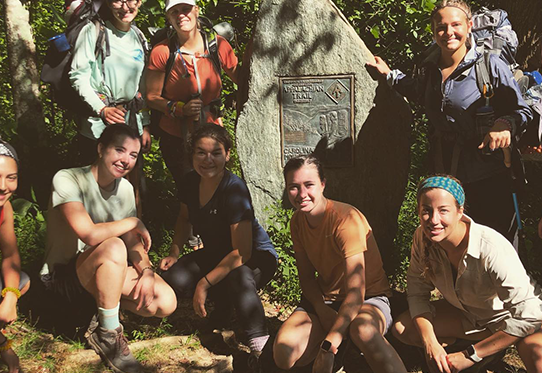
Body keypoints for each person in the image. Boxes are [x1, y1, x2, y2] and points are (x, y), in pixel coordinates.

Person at [366, 0, 532, 245]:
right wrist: (389, 75)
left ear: (469, 26)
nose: (448, 32)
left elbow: (522, 110)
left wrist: (505, 124)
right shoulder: (430, 68)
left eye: (456, 25)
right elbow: (418, 92)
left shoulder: (489, 65)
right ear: (433, 32)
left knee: (496, 246)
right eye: (441, 27)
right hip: (446, 175)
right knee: (455, 244)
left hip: (489, 172)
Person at [40, 124, 176, 373]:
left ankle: (102, 309)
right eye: (119, 150)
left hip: (100, 270)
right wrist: (133, 221)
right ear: (101, 148)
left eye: (133, 155)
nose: (125, 160)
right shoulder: (67, 178)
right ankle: (108, 333)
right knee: (113, 246)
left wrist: (145, 270)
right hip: (63, 277)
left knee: (166, 301)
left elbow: (133, 241)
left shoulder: (124, 188)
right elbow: (90, 234)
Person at [393, 175, 542, 373]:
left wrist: (471, 355)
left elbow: (531, 315)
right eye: (426, 211)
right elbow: (416, 292)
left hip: (510, 321)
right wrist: (430, 343)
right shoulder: (422, 236)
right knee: (403, 328)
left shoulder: (490, 247)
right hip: (467, 316)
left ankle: (482, 353)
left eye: (443, 210)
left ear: (460, 212)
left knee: (537, 361)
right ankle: (482, 353)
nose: (434, 220)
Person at [274, 155, 407, 373]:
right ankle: (344, 352)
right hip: (327, 299)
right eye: (293, 187)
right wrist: (321, 309)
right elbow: (306, 278)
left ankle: (344, 348)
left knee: (363, 330)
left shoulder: (345, 220)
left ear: (323, 184)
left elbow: (356, 292)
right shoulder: (297, 222)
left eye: (309, 185)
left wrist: (328, 346)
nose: (302, 194)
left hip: (367, 298)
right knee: (283, 355)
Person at [159, 124, 277, 367]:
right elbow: (184, 217)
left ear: (228, 155)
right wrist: (174, 251)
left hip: (255, 257)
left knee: (238, 277)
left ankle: (261, 347)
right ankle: (224, 307)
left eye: (216, 153)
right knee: (175, 278)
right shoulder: (190, 182)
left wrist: (204, 283)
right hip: (217, 253)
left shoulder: (234, 189)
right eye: (201, 152)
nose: (208, 159)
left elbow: (241, 252)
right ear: (192, 155)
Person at [145, 0, 238, 193]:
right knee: (188, 191)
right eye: (174, 12)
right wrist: (180, 108)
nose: (181, 15)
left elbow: (243, 78)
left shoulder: (217, 46)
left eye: (185, 9)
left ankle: (217, 223)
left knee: (217, 187)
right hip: (175, 134)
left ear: (196, 11)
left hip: (212, 130)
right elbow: (151, 97)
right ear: (168, 17)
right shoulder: (162, 52)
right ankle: (191, 223)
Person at [70, 0, 151, 163]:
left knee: (130, 185)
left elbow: (142, 86)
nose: (125, 7)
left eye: (130, 0)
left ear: (139, 2)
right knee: (97, 183)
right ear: (109, 3)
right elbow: (78, 76)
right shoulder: (93, 31)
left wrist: (145, 125)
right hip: (98, 126)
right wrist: (102, 109)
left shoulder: (139, 36)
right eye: (118, 1)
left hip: (131, 125)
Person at [0, 141, 31, 373]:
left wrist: (10, 298)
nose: (3, 187)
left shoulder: (5, 207)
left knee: (22, 281)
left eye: (11, 177)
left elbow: (10, 255)